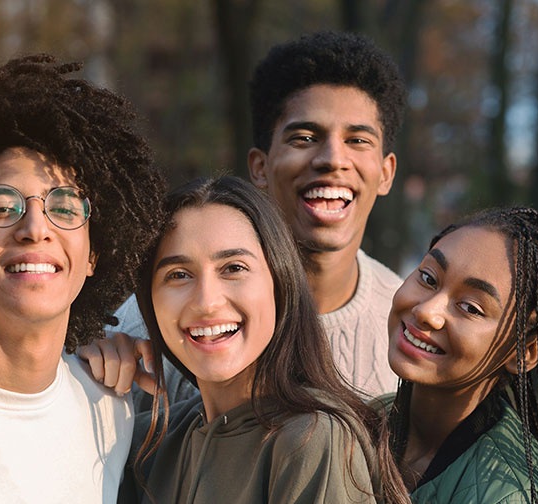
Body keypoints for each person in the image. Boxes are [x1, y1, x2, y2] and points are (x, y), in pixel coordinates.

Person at [115, 175, 411, 504]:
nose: (206, 300)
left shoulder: (312, 441)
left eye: (233, 268)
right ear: (150, 301)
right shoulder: (152, 442)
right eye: (178, 274)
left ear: (280, 281)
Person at [107, 31, 405, 400]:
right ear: (260, 167)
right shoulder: (156, 317)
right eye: (305, 138)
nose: (332, 159)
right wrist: (90, 366)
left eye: (357, 140)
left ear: (386, 172)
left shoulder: (407, 328)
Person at [0, 54, 165, 504]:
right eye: (1, 206)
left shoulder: (114, 407)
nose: (35, 227)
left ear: (93, 252)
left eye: (64, 206)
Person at [382, 207, 538, 504]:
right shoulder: (361, 424)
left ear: (526, 351)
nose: (427, 311)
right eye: (428, 278)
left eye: (471, 307)